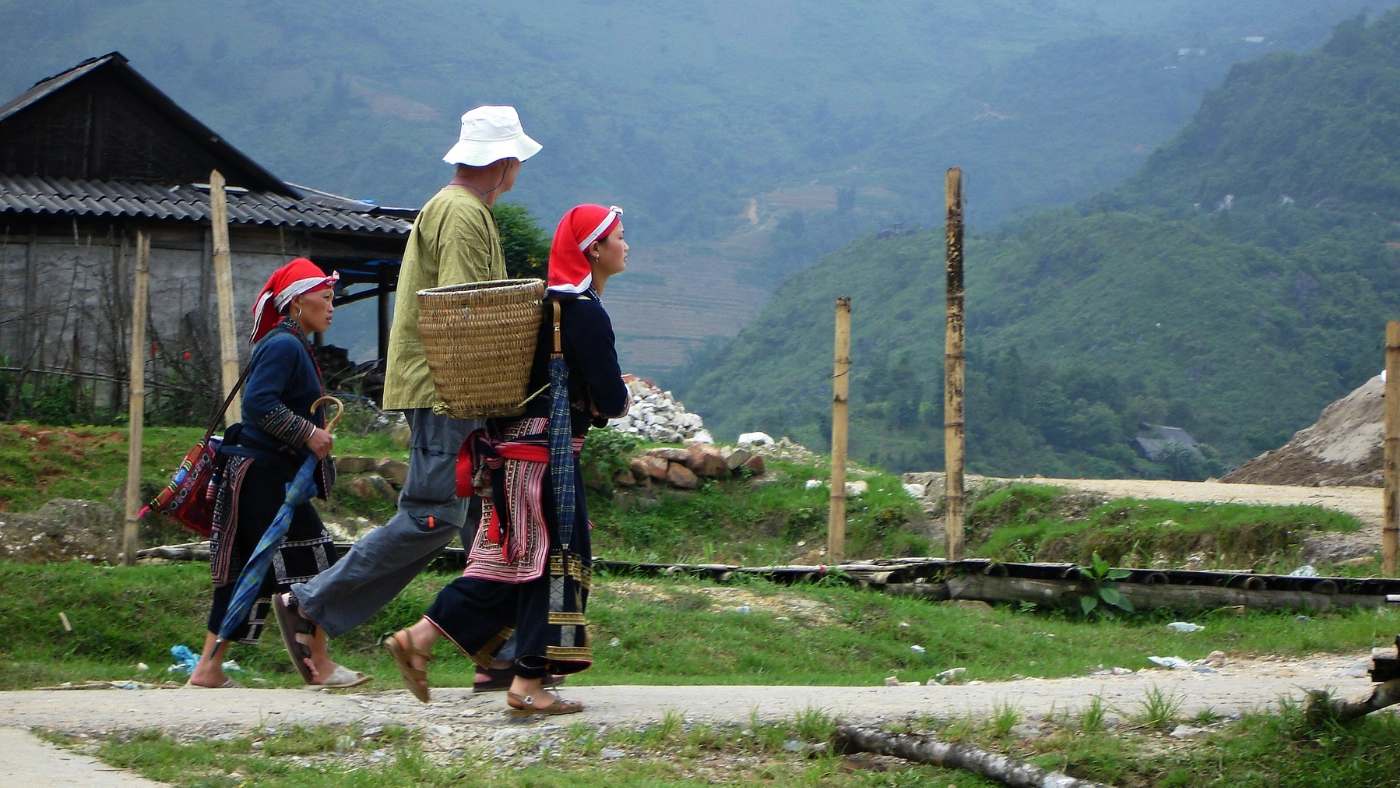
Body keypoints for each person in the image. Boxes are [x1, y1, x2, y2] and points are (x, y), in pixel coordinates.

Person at [274, 106, 543, 690]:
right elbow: (468, 311)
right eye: (516, 158)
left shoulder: (452, 208)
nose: (518, 167)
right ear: (502, 162)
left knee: (486, 524)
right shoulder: (466, 216)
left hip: (447, 387)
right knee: (431, 515)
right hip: (450, 389)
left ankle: (495, 652)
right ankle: (311, 603)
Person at [383, 204, 630, 715]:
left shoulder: (544, 308)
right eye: (620, 238)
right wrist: (616, 401)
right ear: (595, 250)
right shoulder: (584, 312)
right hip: (548, 461)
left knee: (510, 564)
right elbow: (609, 397)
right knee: (555, 564)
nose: (626, 247)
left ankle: (421, 637)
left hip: (513, 456)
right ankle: (529, 685)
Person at [187, 258, 369, 689]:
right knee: (316, 562)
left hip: (260, 474)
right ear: (295, 303)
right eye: (324, 299)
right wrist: (309, 434)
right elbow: (259, 405)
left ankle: (209, 669)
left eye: (331, 299)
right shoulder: (284, 345)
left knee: (248, 568)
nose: (331, 308)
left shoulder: (289, 343)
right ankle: (319, 665)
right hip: (265, 476)